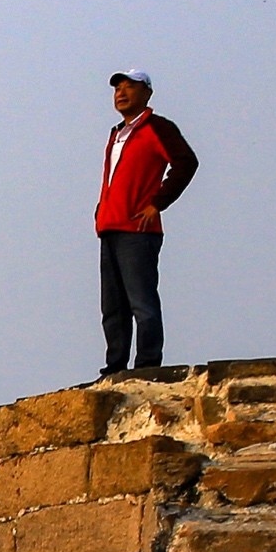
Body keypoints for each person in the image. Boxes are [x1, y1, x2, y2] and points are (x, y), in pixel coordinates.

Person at [96, 70, 199, 375]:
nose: (122, 93)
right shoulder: (117, 133)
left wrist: (157, 203)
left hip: (138, 230)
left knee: (142, 302)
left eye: (130, 87)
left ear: (147, 93)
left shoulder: (157, 127)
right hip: (110, 226)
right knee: (113, 307)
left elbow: (186, 162)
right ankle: (115, 366)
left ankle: (147, 365)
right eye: (118, 88)